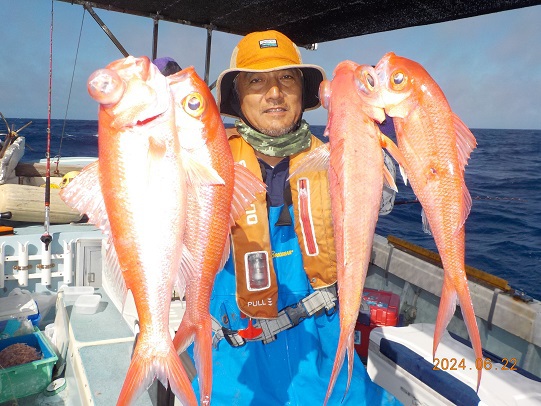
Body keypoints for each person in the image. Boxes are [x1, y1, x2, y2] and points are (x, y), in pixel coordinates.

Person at [189, 30, 399, 405]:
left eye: (287, 78)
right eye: (257, 81)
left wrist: (372, 146)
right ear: (236, 96)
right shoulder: (205, 166)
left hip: (324, 354)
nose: (274, 92)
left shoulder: (336, 157)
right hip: (234, 363)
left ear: (304, 92)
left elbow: (381, 206)